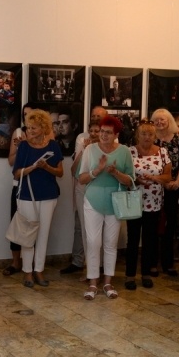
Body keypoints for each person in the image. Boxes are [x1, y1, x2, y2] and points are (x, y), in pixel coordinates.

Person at [77, 115, 135, 300]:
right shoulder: (90, 150)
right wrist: (97, 171)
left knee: (110, 244)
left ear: (116, 134)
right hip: (92, 201)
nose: (103, 135)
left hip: (114, 202)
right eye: (101, 131)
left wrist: (115, 172)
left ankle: (108, 282)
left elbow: (130, 180)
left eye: (108, 133)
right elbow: (82, 178)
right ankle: (93, 282)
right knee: (94, 242)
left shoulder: (124, 151)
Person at [12, 109, 64, 288]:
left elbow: (60, 172)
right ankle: (27, 271)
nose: (30, 131)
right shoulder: (24, 147)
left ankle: (39, 270)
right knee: (28, 234)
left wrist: (46, 166)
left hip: (49, 195)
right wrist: (33, 167)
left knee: (43, 234)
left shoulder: (53, 146)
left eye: (34, 128)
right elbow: (17, 173)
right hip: (27, 195)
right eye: (28, 128)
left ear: (43, 128)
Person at [61, 106, 108, 276]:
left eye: (98, 130)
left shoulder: (111, 141)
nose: (95, 133)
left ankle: (100, 267)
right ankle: (86, 266)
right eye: (92, 130)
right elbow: (74, 170)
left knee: (101, 229)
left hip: (101, 190)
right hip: (83, 188)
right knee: (83, 226)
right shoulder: (82, 139)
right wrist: (84, 150)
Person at [125, 120, 171, 290]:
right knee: (133, 239)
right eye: (143, 133)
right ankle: (130, 275)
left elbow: (168, 177)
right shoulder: (129, 152)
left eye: (150, 134)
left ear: (155, 136)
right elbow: (125, 174)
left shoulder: (162, 152)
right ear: (138, 135)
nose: (147, 137)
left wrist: (154, 179)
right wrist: (136, 180)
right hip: (134, 201)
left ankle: (145, 274)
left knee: (150, 240)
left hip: (154, 203)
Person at [151, 108, 179, 277]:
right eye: (156, 120)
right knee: (153, 225)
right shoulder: (150, 140)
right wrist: (162, 181)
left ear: (169, 122)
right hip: (153, 187)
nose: (159, 123)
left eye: (163, 120)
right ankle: (152, 263)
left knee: (170, 225)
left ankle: (168, 263)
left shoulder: (177, 139)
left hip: (173, 187)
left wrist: (177, 182)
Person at [5, 103, 39, 276]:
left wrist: (29, 144)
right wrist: (20, 147)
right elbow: (11, 161)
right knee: (16, 222)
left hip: (37, 186)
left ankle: (34, 264)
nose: (28, 118)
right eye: (25, 115)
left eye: (31, 114)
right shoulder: (18, 133)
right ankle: (15, 262)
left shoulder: (45, 135)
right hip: (19, 185)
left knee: (35, 225)